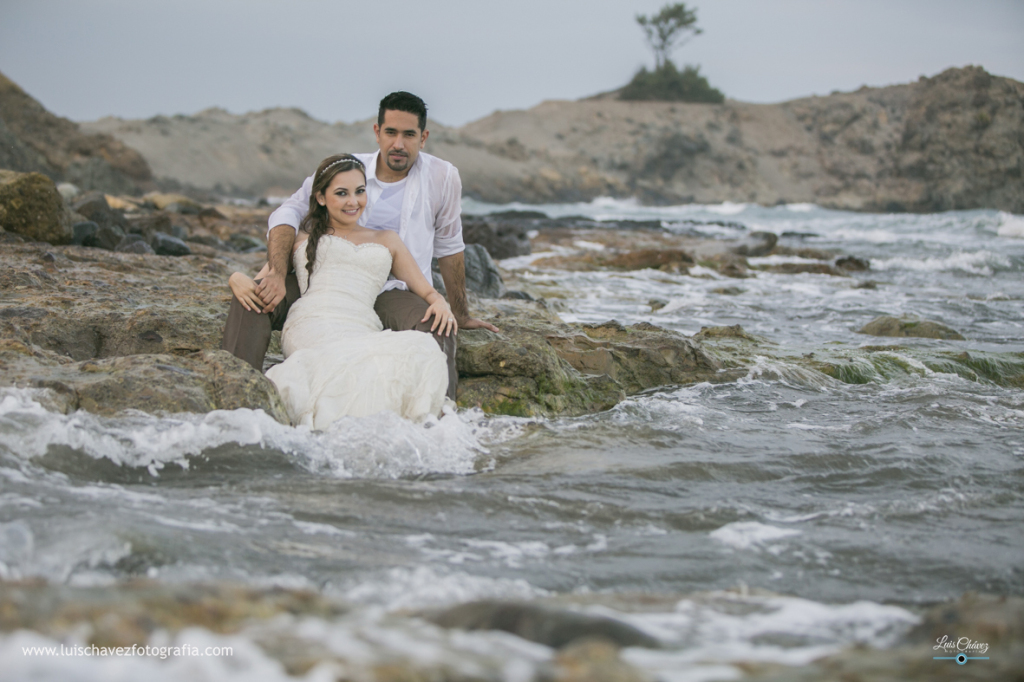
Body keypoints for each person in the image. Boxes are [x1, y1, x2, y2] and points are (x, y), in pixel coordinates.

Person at [220, 91, 498, 401]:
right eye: (391, 132)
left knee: (438, 326)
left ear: (424, 138)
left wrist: (458, 312)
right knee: (253, 300)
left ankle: (441, 416)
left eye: (409, 134)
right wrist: (274, 272)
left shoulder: (442, 177)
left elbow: (449, 245)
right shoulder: (348, 171)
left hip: (394, 290)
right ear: (377, 132)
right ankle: (236, 393)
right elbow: (287, 214)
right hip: (318, 281)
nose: (398, 144)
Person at [255, 154, 454, 427]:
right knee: (343, 368)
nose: (353, 201)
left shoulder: (387, 239)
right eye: (342, 193)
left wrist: (440, 302)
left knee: (419, 351)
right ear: (321, 198)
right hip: (311, 322)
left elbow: (427, 291)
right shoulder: (302, 238)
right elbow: (261, 278)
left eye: (360, 191)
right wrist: (234, 279)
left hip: (361, 324)